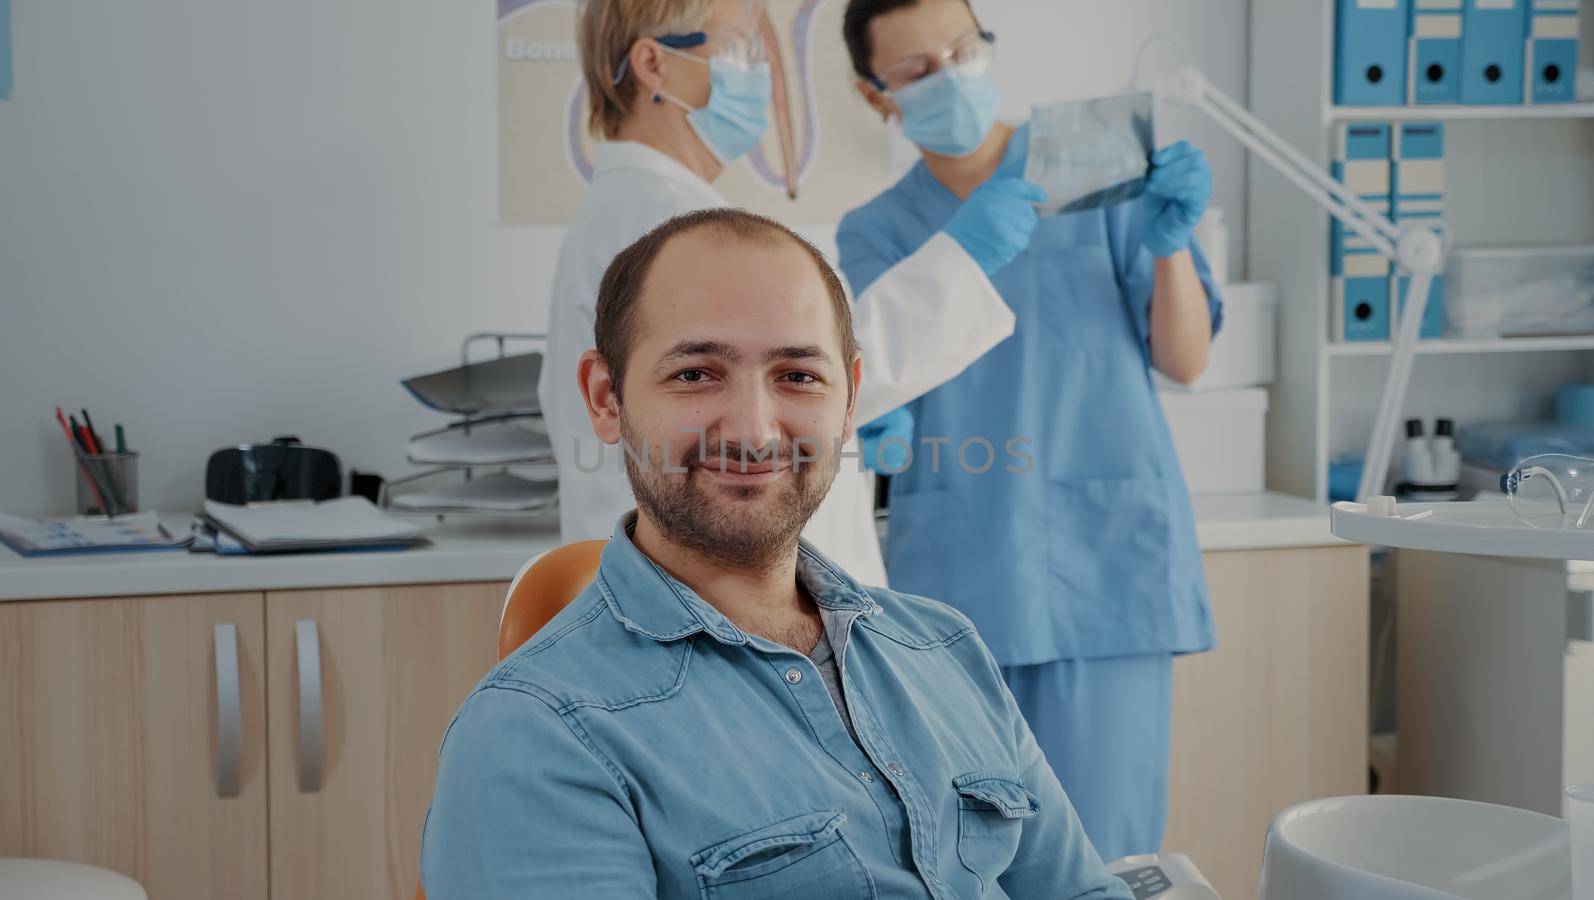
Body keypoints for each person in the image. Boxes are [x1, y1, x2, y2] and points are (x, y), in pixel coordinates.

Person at [421, 208, 1134, 900]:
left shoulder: (943, 649)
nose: (755, 431)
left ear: (851, 399)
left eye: (797, 376)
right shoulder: (534, 738)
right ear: (606, 399)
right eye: (697, 374)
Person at [835, 0, 1224, 861]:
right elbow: (873, 377)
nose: (951, 76)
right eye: (917, 70)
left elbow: (1186, 359)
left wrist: (1171, 242)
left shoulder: (1095, 164)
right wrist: (878, 416)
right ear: (877, 96)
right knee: (971, 854)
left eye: (963, 50)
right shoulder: (873, 231)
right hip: (961, 568)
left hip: (1107, 563)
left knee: (1108, 852)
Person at [541, 0, 1049, 585]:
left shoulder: (636, 209)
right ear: (655, 64)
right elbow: (804, 369)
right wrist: (964, 257)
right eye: (738, 47)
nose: (762, 70)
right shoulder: (668, 222)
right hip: (711, 587)